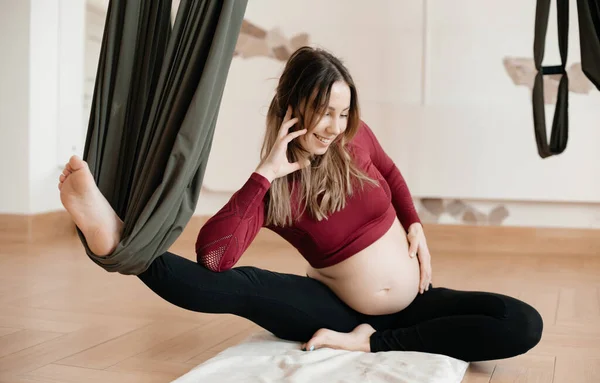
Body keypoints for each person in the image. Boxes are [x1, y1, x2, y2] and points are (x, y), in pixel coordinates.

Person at [58, 46, 542, 362]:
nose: (335, 126)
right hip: (336, 310)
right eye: (324, 112)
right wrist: (264, 175)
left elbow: (391, 174)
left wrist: (414, 224)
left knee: (521, 323)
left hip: (418, 304)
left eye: (344, 112)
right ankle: (116, 239)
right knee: (236, 288)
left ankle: (377, 343)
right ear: (291, 109)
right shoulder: (275, 189)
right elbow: (213, 258)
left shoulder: (356, 140)